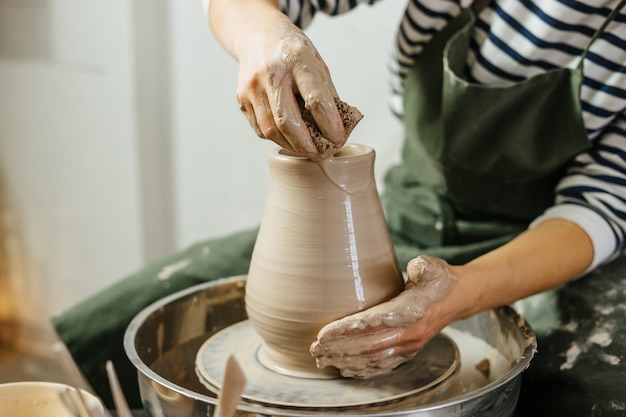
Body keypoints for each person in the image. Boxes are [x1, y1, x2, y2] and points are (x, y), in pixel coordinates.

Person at [52, 0, 626, 415]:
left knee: (592, 393)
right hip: (405, 211)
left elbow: (604, 204)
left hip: (552, 248)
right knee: (118, 322)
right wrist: (263, 35)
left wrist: (460, 296)